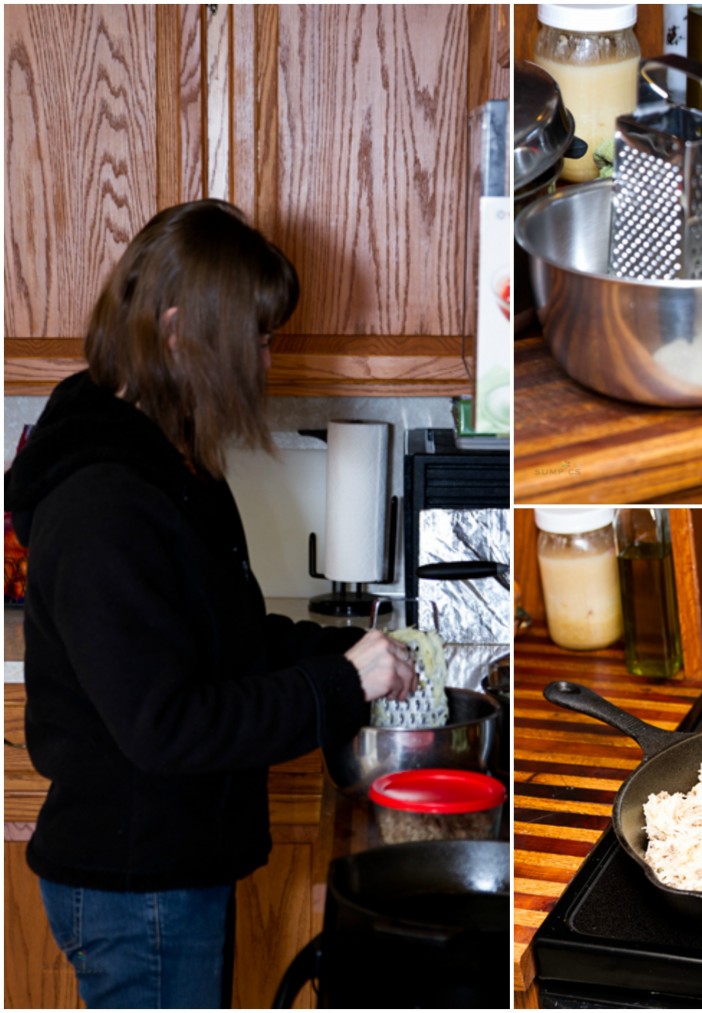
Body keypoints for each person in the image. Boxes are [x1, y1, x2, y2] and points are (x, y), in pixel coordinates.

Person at [3, 199, 417, 1009]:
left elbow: (212, 636)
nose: (265, 361)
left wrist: (334, 650)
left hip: (166, 867)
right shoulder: (104, 503)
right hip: (139, 886)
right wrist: (340, 686)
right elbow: (169, 725)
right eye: (256, 339)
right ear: (177, 331)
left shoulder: (165, 458)